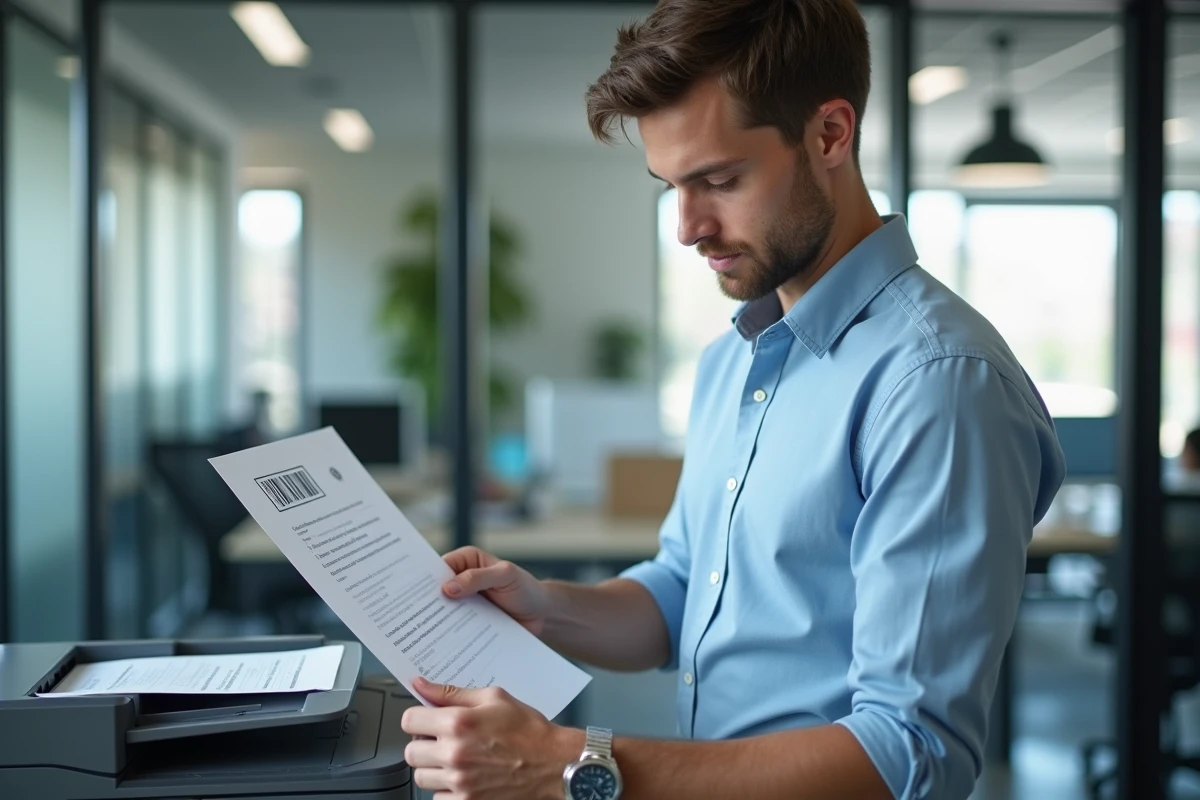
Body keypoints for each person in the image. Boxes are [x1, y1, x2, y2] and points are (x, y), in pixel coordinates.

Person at [399, 1, 1066, 798]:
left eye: (718, 179)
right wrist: (547, 607)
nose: (686, 227)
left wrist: (570, 764)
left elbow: (911, 754)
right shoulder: (734, 358)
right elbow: (684, 592)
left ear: (829, 135)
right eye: (671, 186)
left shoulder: (938, 382)